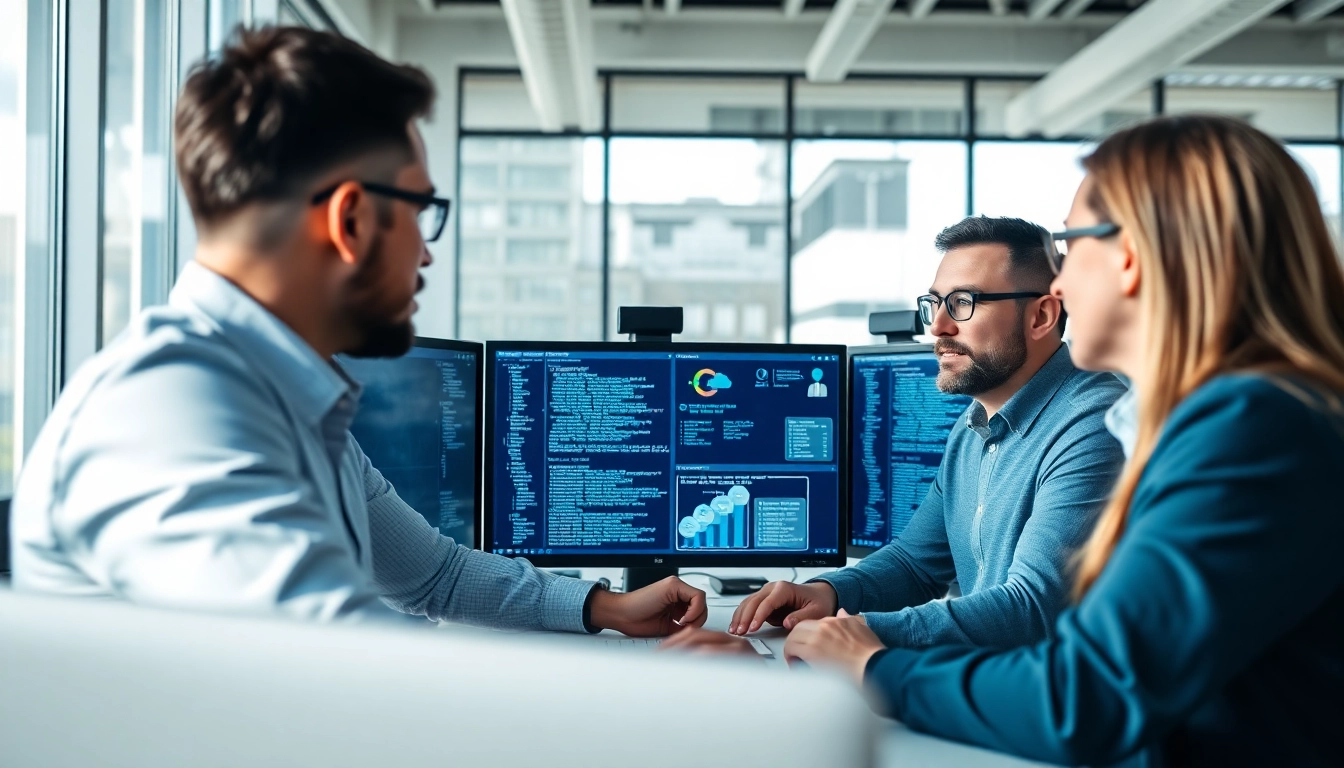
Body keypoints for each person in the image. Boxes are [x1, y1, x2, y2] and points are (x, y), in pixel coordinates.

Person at [9, 26, 706, 637]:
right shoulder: (170, 407)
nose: (428, 252)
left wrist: (604, 608)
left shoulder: (290, 402)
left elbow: (437, 577)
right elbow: (336, 685)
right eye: (421, 212)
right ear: (350, 221)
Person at [782, 115, 1344, 767]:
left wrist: (873, 663)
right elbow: (927, 564)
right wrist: (838, 603)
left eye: (1073, 247)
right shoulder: (1235, 416)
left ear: (1129, 257)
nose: (1060, 283)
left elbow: (1087, 696)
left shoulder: (1253, 427)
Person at [668, 216, 1126, 656]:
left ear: (1041, 316)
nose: (938, 327)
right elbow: (915, 562)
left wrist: (856, 633)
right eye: (935, 304)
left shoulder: (1093, 424)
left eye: (963, 302)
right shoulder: (975, 425)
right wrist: (826, 592)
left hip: (1047, 711)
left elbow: (1032, 610)